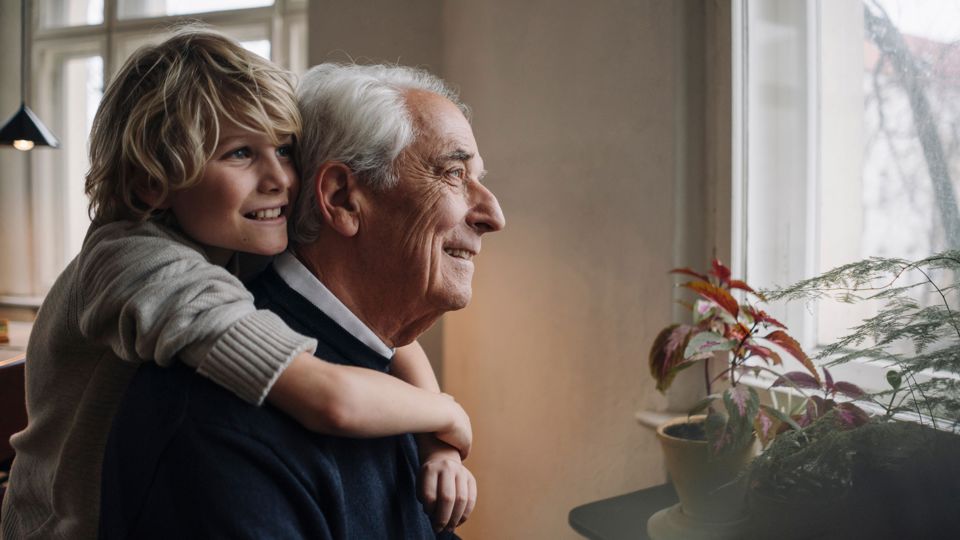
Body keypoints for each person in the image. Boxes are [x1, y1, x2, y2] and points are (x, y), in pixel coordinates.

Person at [0, 29, 472, 540]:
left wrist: (436, 445)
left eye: (285, 149)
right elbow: (328, 397)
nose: (281, 179)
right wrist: (447, 413)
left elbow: (390, 343)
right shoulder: (142, 267)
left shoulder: (231, 238)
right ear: (151, 182)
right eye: (240, 154)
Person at [99, 62, 505, 539]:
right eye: (455, 174)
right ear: (340, 198)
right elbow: (331, 398)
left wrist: (440, 434)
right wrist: (448, 411)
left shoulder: (373, 350)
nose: (493, 214)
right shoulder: (217, 408)